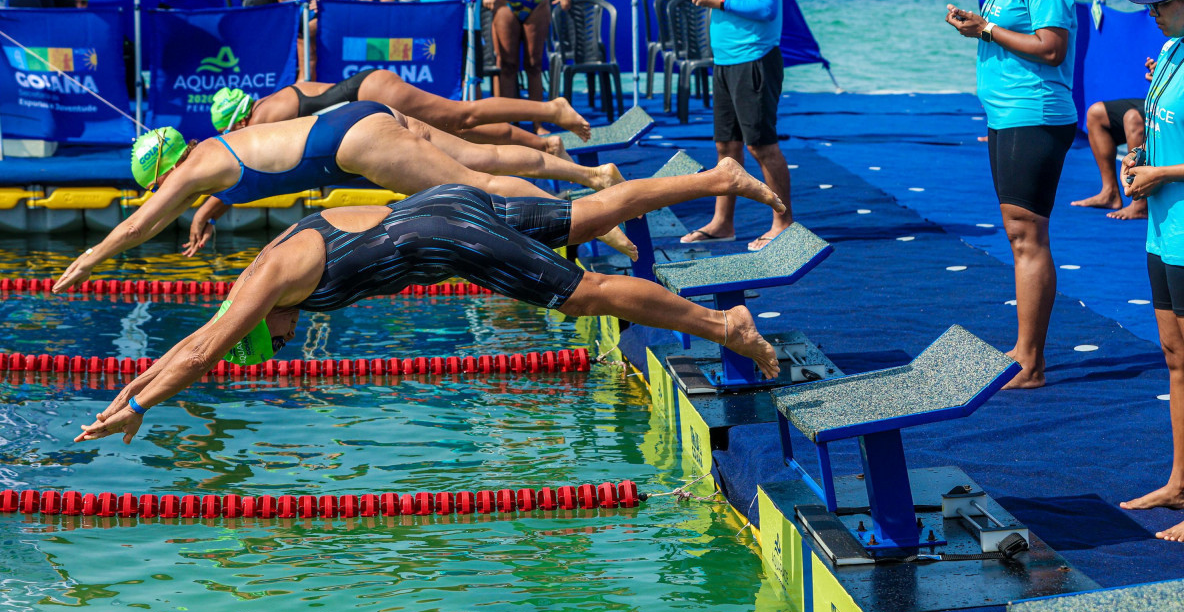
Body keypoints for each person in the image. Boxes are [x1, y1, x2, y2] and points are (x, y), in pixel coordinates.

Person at [73, 162, 786, 445]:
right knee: (586, 214)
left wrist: (139, 410)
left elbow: (202, 352)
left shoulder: (270, 285)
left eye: (278, 341)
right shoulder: (255, 286)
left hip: (439, 235)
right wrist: (125, 400)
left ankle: (728, 326)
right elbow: (195, 343)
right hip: (441, 206)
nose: (288, 341)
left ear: (268, 323)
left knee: (586, 296)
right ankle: (715, 176)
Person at [52, 103, 633, 292]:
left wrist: (82, 264)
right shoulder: (211, 151)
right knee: (478, 160)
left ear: (159, 175)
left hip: (349, 142)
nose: (161, 196)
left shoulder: (186, 175)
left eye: (157, 188)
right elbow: (245, 170)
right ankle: (594, 179)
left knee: (474, 189)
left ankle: (594, 218)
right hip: (353, 117)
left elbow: (136, 229)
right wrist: (205, 215)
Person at [944, 0, 1076, 390]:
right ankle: (1024, 349)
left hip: (1035, 114)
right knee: (1020, 233)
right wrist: (977, 28)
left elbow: (1052, 48)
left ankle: (1032, 361)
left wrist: (990, 28)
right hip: (1009, 114)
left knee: (1028, 236)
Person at [680, 0, 791, 252]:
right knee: (726, 147)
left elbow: (768, 8)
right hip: (728, 62)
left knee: (762, 145)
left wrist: (719, 2)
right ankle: (723, 222)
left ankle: (783, 222)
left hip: (753, 60)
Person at [1115, 0, 1184, 541]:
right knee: (1174, 356)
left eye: (1163, 2)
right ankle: (1180, 479)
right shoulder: (1168, 51)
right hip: (1163, 229)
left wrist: (1163, 174)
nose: (1153, 13)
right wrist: (1142, 160)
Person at [207, 68, 591, 156]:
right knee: (462, 132)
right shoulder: (271, 102)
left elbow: (243, 160)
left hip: (374, 92)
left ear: (237, 122)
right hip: (371, 94)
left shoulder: (262, 119)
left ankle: (552, 108)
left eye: (230, 133)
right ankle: (543, 144)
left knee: (463, 116)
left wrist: (205, 208)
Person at [1071, 76, 1151, 220]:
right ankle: (1110, 193)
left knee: (1134, 118)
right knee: (1097, 113)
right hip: (1163, 98)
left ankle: (1140, 203)